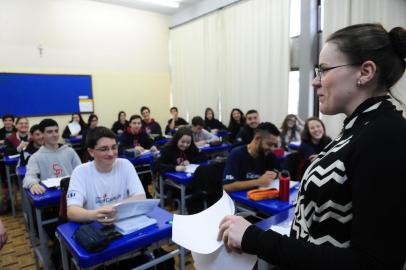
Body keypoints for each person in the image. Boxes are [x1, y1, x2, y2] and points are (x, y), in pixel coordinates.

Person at [218, 23, 406, 269]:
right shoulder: (359, 128)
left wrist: (256, 238)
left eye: (324, 70)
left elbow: (374, 263)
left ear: (365, 72)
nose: (315, 82)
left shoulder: (386, 134)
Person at [67, 127, 146, 225]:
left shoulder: (125, 165)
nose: (111, 153)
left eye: (114, 147)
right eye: (104, 149)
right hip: (96, 226)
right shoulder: (80, 172)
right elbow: (72, 211)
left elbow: (141, 197)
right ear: (91, 152)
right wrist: (95, 215)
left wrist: (110, 209)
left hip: (124, 223)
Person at [23, 119, 82, 195]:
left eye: (56, 131)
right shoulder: (35, 157)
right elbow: (29, 177)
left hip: (73, 193)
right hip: (51, 197)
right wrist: (33, 184)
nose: (54, 135)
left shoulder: (69, 151)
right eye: (49, 132)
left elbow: (80, 171)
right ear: (42, 134)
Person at [223, 122, 281, 192]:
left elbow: (280, 173)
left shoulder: (269, 155)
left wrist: (276, 175)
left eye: (274, 145)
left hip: (265, 197)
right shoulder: (236, 154)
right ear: (257, 139)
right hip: (241, 200)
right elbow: (227, 186)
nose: (272, 149)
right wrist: (258, 182)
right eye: (269, 144)